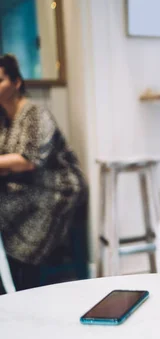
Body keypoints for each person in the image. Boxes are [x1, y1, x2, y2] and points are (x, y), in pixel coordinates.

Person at [0, 54, 87, 293]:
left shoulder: (36, 113)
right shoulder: (3, 120)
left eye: (0, 80)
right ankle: (11, 281)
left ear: (16, 82)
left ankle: (20, 281)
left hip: (57, 187)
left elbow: (28, 161)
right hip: (25, 188)